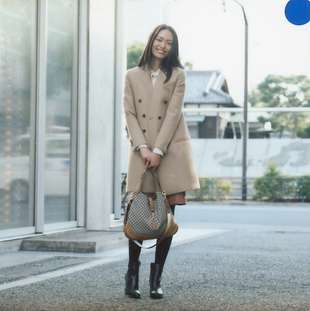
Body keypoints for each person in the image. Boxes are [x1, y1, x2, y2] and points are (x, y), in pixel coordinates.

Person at [123, 24, 200, 299]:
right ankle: (132, 275)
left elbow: (173, 114)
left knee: (166, 219)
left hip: (169, 154)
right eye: (159, 39)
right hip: (140, 152)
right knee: (139, 214)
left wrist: (158, 150)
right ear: (151, 41)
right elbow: (129, 113)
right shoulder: (132, 75)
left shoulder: (178, 75)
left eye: (169, 42)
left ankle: (156, 279)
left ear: (173, 47)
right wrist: (143, 147)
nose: (163, 45)